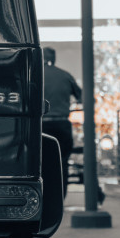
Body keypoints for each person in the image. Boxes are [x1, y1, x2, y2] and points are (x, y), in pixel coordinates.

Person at [41, 47, 81, 197]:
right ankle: (60, 198)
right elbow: (82, 98)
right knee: (62, 161)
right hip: (61, 124)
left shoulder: (33, 74)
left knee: (39, 162)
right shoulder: (65, 76)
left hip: (40, 125)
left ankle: (43, 197)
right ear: (54, 58)